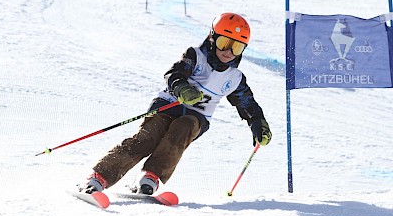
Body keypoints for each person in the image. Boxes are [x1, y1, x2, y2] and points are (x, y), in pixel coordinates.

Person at [80, 12, 272, 196]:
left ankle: (151, 177)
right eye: (224, 43)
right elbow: (174, 74)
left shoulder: (235, 77)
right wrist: (182, 88)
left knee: (183, 128)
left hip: (197, 117)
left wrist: (258, 123)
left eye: (237, 47)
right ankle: (98, 177)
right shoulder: (195, 55)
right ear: (213, 38)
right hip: (169, 104)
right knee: (149, 137)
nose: (229, 52)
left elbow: (248, 104)